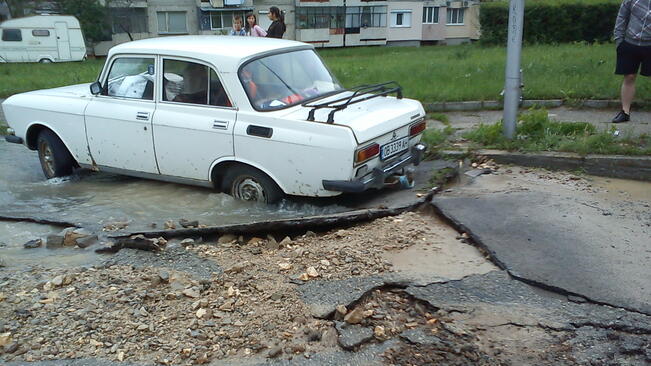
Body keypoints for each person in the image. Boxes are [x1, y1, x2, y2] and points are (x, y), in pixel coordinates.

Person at [612, 0, 651, 123]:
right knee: (629, 76)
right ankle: (625, 112)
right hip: (630, 43)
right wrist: (619, 42)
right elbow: (621, 18)